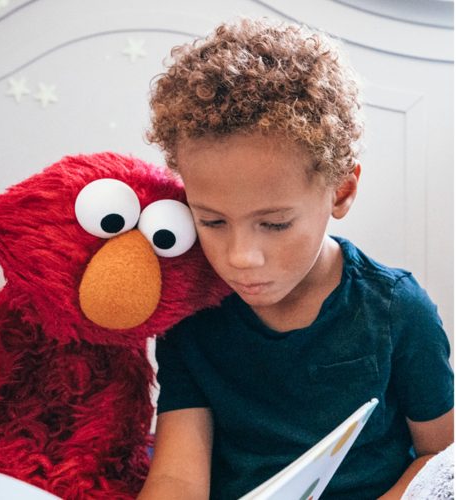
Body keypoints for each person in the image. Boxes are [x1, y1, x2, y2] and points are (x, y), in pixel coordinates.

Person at [138, 17, 454, 500]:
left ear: (342, 191)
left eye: (275, 224)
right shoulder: (191, 315)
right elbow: (178, 478)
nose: (241, 258)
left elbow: (441, 457)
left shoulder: (396, 310)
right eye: (212, 222)